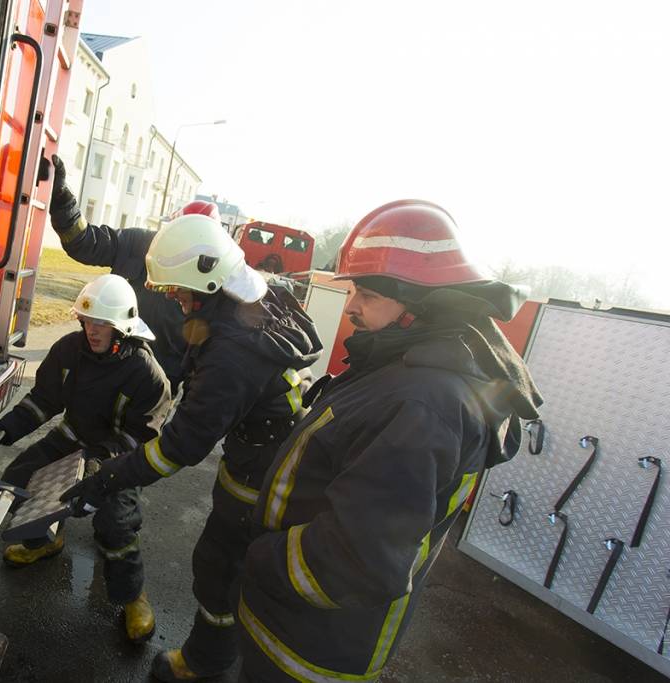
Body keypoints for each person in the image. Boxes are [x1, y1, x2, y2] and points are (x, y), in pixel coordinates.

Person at [237, 199, 543, 681]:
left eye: (370, 295)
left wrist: (257, 558)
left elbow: (354, 562)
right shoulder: (404, 368)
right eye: (356, 289)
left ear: (420, 308)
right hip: (292, 621)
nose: (352, 305)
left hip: (308, 647)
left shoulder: (423, 404)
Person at [59, 214, 322, 680]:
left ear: (208, 277)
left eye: (180, 292)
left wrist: (110, 478)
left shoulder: (232, 354)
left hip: (258, 473)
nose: (177, 304)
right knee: (228, 565)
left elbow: (178, 447)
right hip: (270, 454)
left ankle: (204, 666)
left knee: (219, 566)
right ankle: (213, 659)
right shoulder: (257, 294)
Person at [0, 274, 172, 643]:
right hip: (71, 438)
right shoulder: (69, 351)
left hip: (118, 458)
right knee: (17, 476)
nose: (93, 331)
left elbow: (140, 438)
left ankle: (132, 594)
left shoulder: (148, 376)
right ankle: (46, 542)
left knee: (114, 523)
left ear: (123, 327)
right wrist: (2, 432)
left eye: (103, 322)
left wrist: (98, 470)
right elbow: (44, 400)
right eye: (87, 321)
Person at [48, 154, 220, 391]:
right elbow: (85, 243)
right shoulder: (138, 244)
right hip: (109, 366)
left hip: (154, 387)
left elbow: (205, 358)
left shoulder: (212, 286)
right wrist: (62, 200)